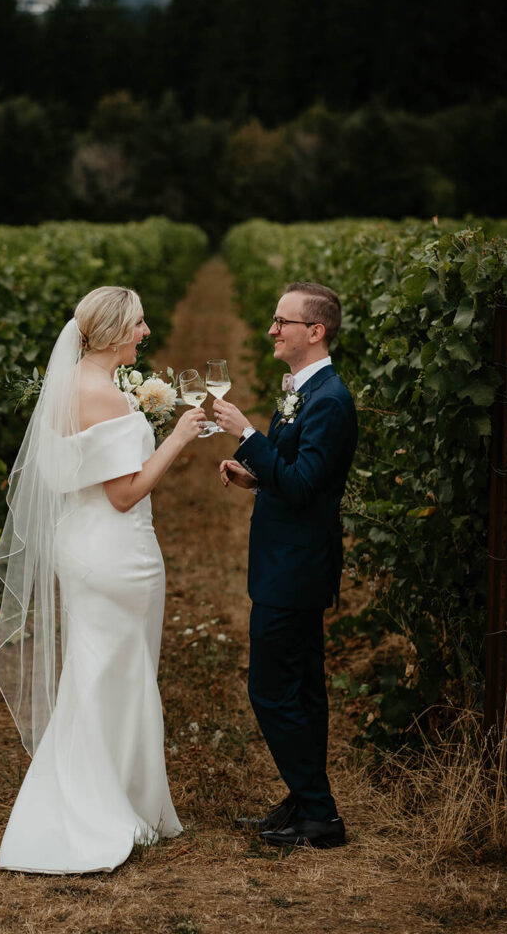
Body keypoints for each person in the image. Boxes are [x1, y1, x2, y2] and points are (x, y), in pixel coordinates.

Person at [0, 286, 205, 874]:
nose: (146, 332)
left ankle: (105, 793)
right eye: (139, 324)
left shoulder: (71, 388)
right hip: (115, 550)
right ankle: (101, 806)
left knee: (99, 670)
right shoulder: (105, 398)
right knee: (119, 670)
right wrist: (179, 438)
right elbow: (124, 493)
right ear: (113, 331)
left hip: (83, 547)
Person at [214, 281, 357, 850]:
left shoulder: (329, 400)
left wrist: (247, 434)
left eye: (282, 322)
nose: (272, 330)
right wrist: (256, 477)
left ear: (314, 331)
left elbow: (301, 487)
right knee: (302, 688)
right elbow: (297, 476)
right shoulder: (303, 390)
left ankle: (319, 814)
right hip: (288, 560)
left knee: (272, 690)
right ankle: (305, 802)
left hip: (295, 570)